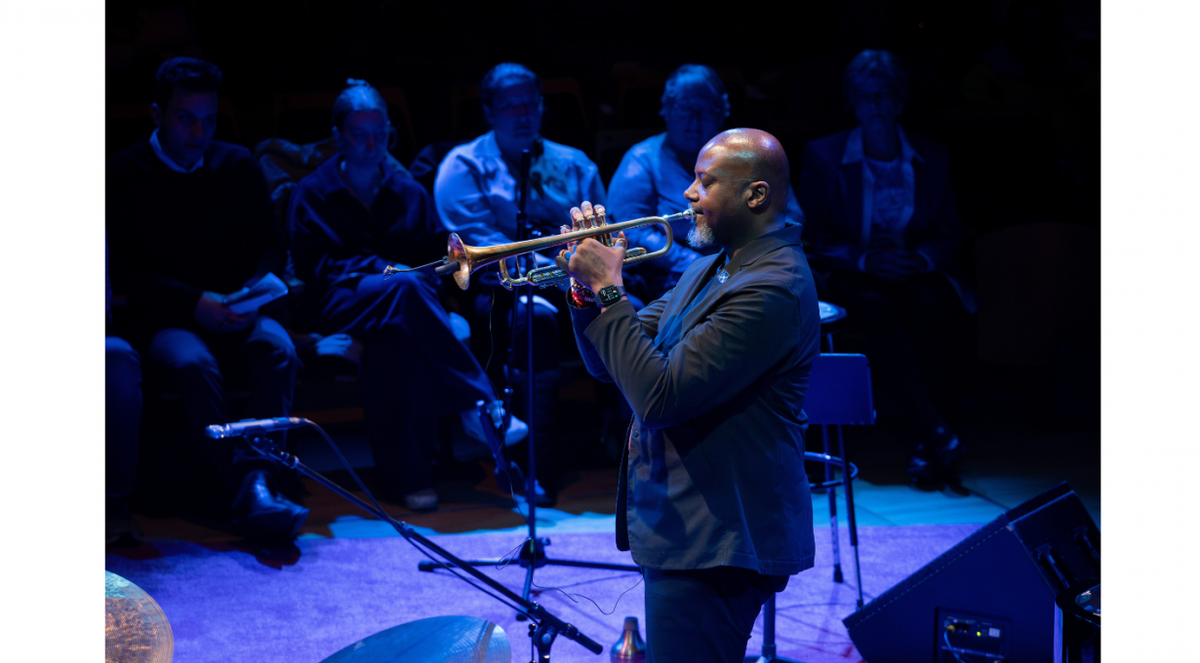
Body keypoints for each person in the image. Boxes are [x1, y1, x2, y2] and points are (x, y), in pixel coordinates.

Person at [560, 128, 819, 662]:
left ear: (756, 195)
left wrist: (610, 289)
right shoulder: (713, 267)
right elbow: (612, 362)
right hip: (686, 524)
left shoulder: (772, 287)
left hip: (718, 538)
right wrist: (586, 292)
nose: (688, 193)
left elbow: (657, 399)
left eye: (705, 181)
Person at [287, 79, 526, 511]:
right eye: (359, 135)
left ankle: (408, 480)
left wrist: (421, 276)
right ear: (339, 137)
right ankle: (480, 402)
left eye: (380, 134)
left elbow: (434, 258)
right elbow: (313, 271)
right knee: (405, 288)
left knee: (395, 341)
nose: (371, 145)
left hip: (401, 306)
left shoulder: (408, 190)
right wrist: (383, 271)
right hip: (335, 303)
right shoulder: (313, 192)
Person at [107, 57, 308, 540]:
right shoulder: (125, 171)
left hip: (237, 306)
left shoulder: (236, 163)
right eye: (186, 119)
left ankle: (259, 479)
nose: (200, 132)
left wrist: (248, 295)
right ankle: (247, 489)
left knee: (278, 350)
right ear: (157, 115)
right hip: (166, 316)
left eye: (210, 119)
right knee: (194, 363)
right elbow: (125, 269)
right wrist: (196, 302)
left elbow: (271, 244)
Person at [797, 50, 972, 490]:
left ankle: (927, 440)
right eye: (865, 96)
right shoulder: (824, 156)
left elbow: (949, 233)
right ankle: (933, 430)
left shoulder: (933, 157)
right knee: (875, 308)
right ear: (852, 102)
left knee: (932, 308)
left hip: (913, 270)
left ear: (900, 100)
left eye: (884, 94)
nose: (874, 104)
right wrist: (865, 259)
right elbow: (811, 235)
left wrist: (918, 259)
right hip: (850, 272)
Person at [433, 63, 607, 505]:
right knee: (535, 321)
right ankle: (533, 467)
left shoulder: (575, 163)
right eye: (511, 106)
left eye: (531, 104)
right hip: (500, 290)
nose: (523, 114)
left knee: (638, 309)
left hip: (575, 277)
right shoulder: (463, 166)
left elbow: (600, 231)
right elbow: (480, 246)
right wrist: (563, 265)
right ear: (489, 111)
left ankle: (641, 451)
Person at [607, 64, 805, 303]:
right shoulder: (642, 159)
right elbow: (633, 230)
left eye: (707, 108)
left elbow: (790, 215)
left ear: (723, 111)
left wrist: (745, 261)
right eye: (684, 107)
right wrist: (698, 266)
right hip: (672, 280)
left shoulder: (751, 155)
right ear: (666, 109)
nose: (695, 119)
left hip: (754, 270)